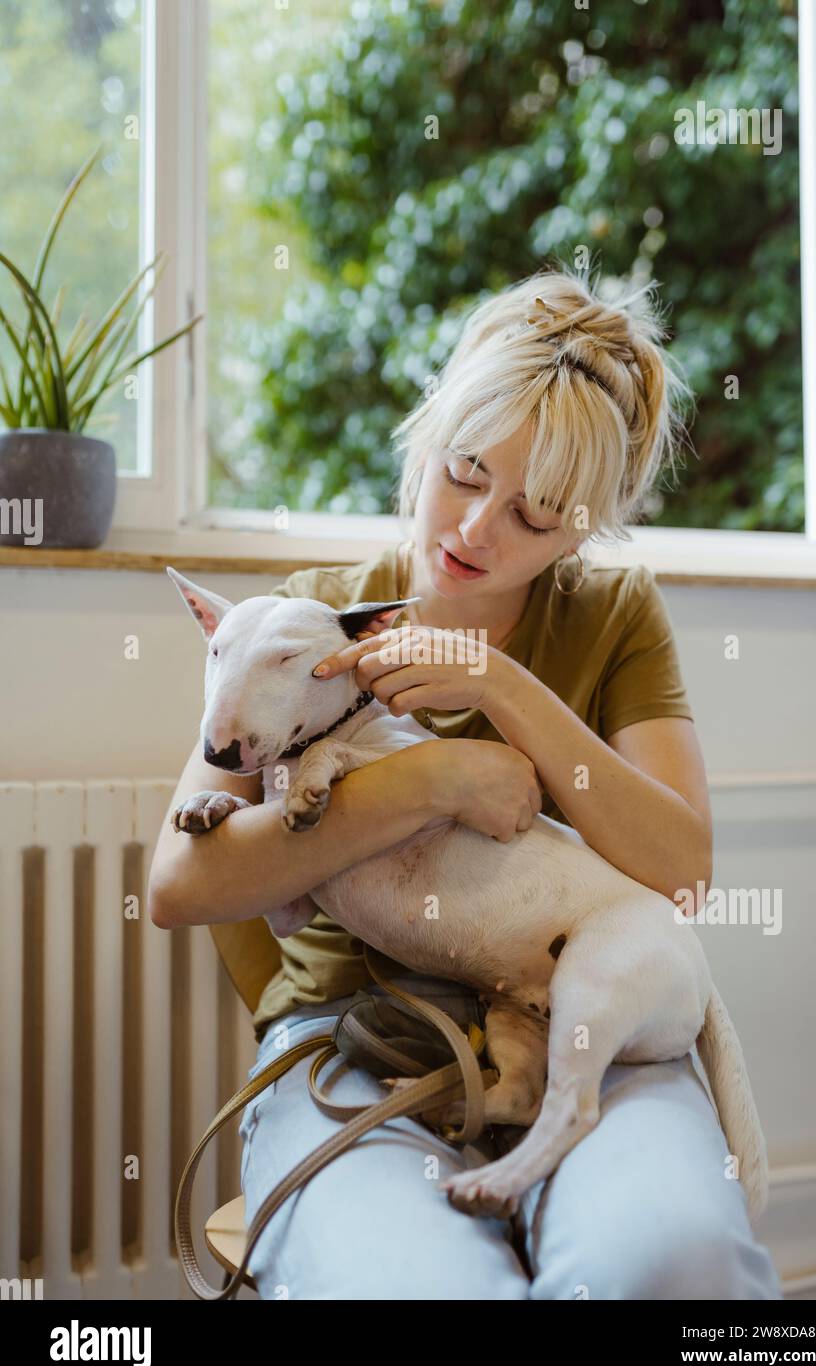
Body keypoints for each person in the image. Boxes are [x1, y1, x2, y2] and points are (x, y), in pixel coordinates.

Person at [150, 266, 783, 1300]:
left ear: (588, 526)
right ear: (426, 429)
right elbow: (181, 884)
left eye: (536, 517)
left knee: (675, 1262)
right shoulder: (311, 615)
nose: (477, 529)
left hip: (584, 1025)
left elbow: (679, 876)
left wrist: (500, 684)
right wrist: (438, 776)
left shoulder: (610, 614)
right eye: (462, 471)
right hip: (355, 1035)